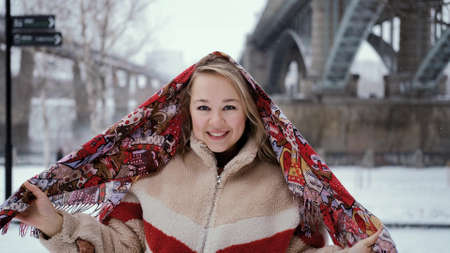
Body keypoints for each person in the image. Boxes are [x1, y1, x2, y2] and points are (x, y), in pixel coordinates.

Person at [2, 52, 396, 253]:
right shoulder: (157, 174)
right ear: (187, 111)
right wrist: (57, 225)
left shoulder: (283, 185)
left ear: (250, 111)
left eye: (229, 106)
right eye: (204, 107)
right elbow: (119, 247)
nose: (217, 121)